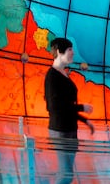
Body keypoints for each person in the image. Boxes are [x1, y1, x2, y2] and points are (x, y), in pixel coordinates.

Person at [44, 37, 94, 184]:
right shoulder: (52, 76)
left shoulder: (63, 74)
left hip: (70, 129)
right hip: (60, 130)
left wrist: (85, 120)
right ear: (59, 52)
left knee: (67, 173)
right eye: (70, 50)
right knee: (66, 174)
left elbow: (66, 105)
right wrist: (81, 108)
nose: (73, 53)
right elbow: (54, 107)